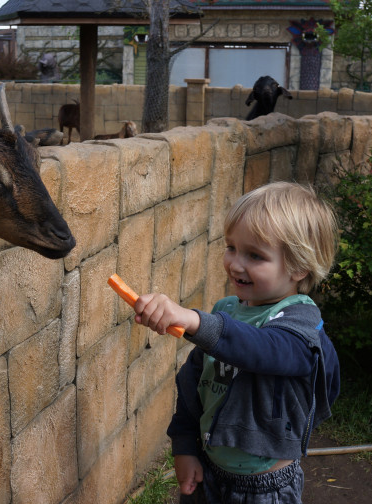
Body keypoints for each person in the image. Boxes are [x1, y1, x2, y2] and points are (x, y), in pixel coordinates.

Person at [131, 181, 341, 504]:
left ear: (299, 266)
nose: (235, 264)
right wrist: (185, 446)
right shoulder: (226, 311)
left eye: (255, 255)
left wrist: (196, 321)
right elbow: (193, 384)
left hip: (265, 488)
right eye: (231, 247)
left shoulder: (302, 324)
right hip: (210, 472)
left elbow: (263, 349)